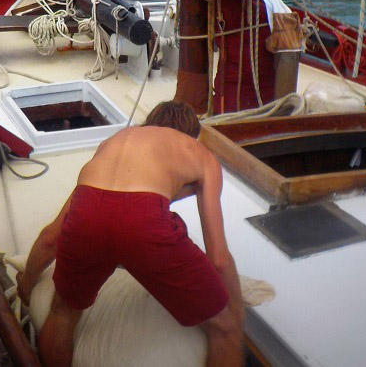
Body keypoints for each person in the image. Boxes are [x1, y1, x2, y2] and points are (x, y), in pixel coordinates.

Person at [17, 100, 245, 367]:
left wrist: (28, 282)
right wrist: (236, 314)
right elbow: (219, 258)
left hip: (90, 212)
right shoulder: (199, 153)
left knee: (63, 311)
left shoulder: (114, 142)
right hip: (145, 222)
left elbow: (51, 238)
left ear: (149, 123)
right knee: (224, 327)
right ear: (193, 135)